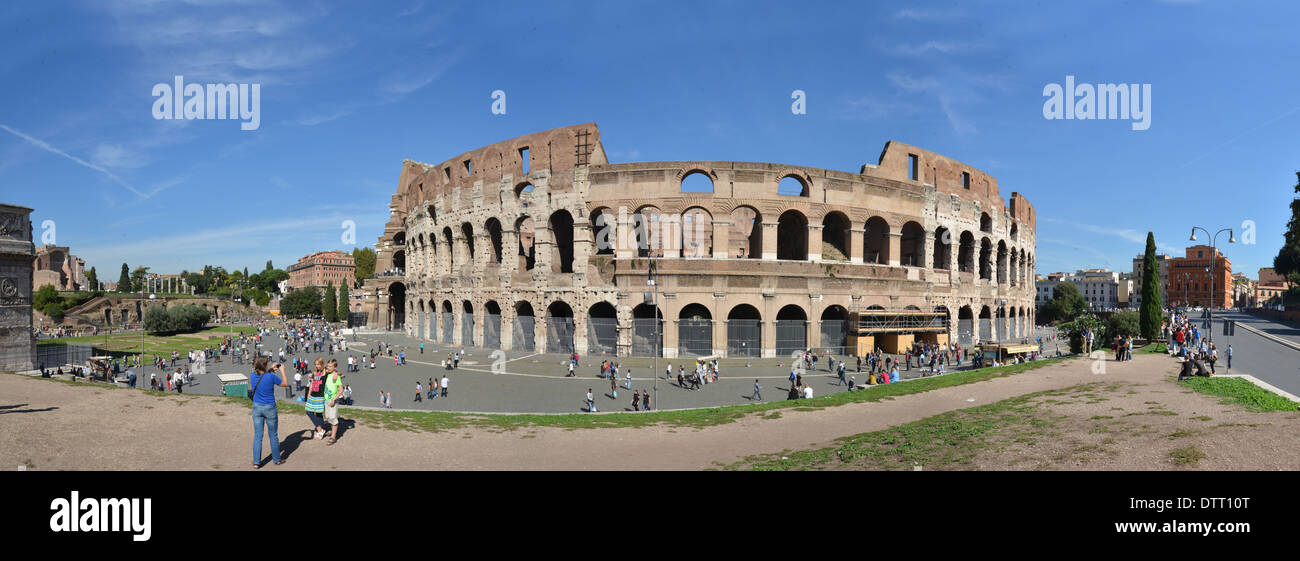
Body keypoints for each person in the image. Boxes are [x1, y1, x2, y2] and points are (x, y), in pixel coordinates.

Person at [249, 357, 289, 468]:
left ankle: (256, 462)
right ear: (265, 366)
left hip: (257, 407)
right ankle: (276, 459)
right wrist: (282, 370)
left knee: (258, 436)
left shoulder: (253, 376)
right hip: (269, 407)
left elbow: (263, 376)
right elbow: (285, 383)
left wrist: (271, 369)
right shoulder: (271, 377)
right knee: (273, 435)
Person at [323, 359, 343, 444]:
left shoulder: (336, 377)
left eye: (330, 366)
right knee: (328, 417)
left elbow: (341, 390)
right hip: (326, 400)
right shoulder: (328, 374)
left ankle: (333, 437)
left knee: (333, 418)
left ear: (335, 367)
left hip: (332, 401)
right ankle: (332, 431)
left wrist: (334, 399)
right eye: (328, 366)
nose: (328, 367)